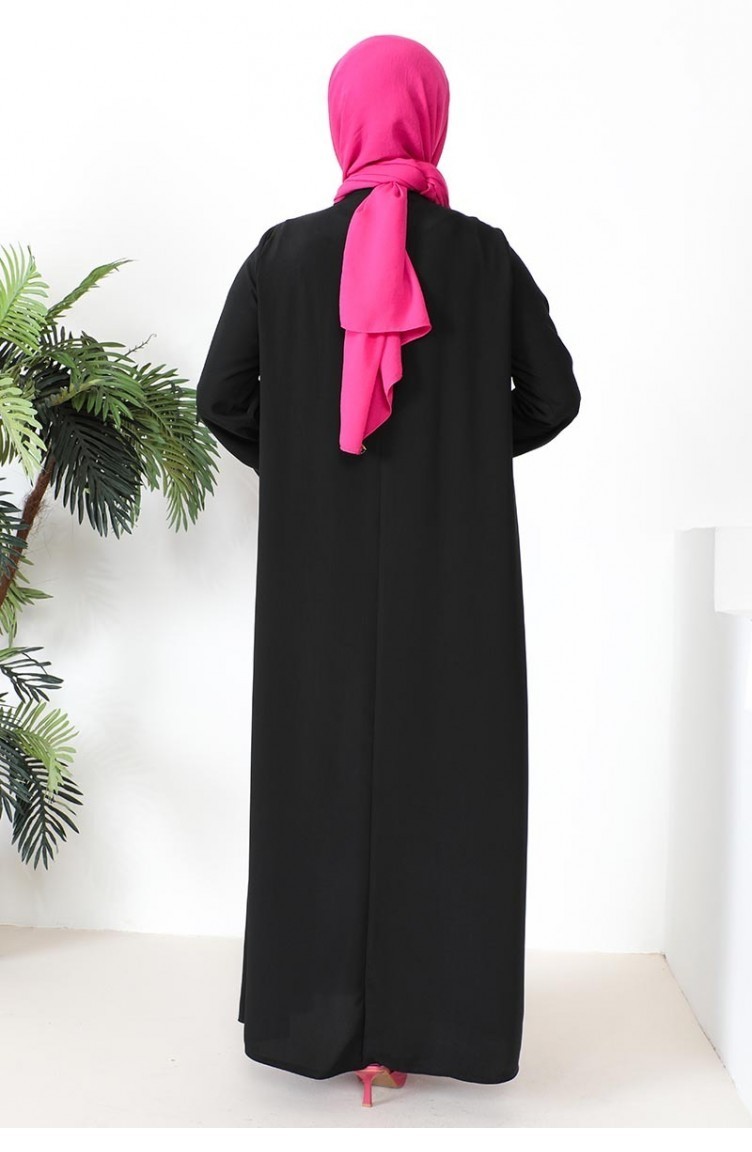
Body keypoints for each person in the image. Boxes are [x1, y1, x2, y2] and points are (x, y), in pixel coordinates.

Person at [196, 33, 580, 1109]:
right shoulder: (483, 257)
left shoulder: (280, 257)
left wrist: (308, 466)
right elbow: (554, 396)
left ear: (343, 119)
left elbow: (221, 397)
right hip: (455, 571)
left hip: (314, 573)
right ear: (430, 116)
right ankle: (430, 1024)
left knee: (317, 777)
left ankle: (316, 1022)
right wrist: (463, 451)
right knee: (450, 783)